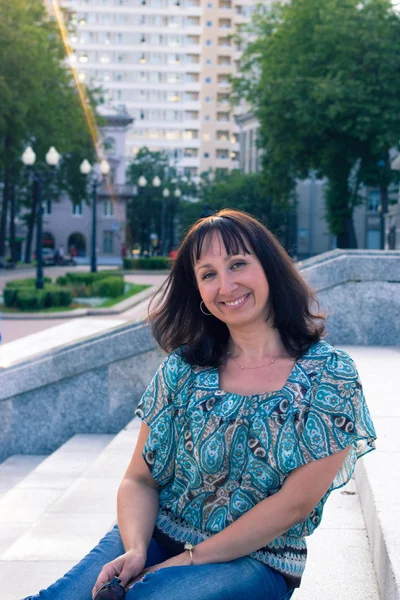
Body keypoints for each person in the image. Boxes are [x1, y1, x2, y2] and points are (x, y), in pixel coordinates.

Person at [22, 209, 376, 600]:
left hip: (256, 560)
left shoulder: (329, 375)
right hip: (158, 533)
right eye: (208, 274)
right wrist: (136, 548)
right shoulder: (183, 369)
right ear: (200, 294)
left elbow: (293, 506)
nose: (226, 285)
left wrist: (188, 560)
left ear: (270, 269)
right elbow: (139, 480)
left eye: (237, 263)